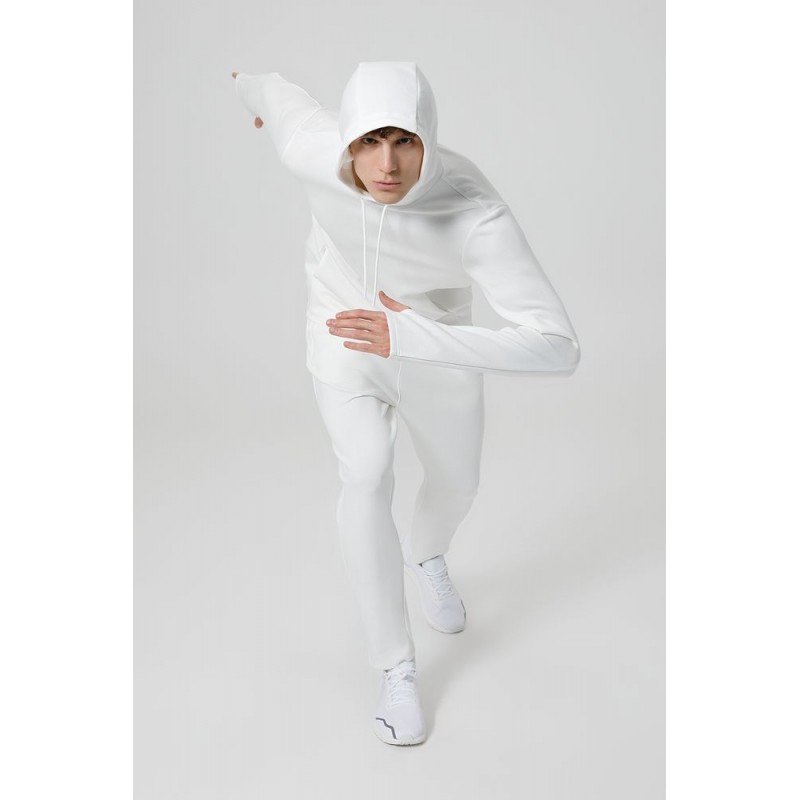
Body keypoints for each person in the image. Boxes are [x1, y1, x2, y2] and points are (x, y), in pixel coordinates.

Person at [232, 62, 580, 746]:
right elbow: (271, 89)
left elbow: (559, 347)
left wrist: (414, 335)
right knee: (365, 474)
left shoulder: (474, 213)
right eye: (369, 141)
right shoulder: (311, 148)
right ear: (347, 141)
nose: (386, 165)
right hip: (342, 332)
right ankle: (396, 668)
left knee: (458, 483)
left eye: (404, 141)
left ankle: (429, 557)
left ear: (429, 140)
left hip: (436, 343)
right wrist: (250, 90)